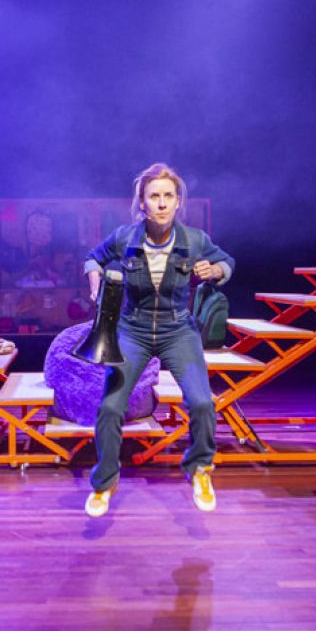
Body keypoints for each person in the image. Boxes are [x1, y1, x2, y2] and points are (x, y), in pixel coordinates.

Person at [82, 163, 234, 517]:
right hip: (132, 329)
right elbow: (93, 258)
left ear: (178, 201)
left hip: (177, 329)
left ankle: (200, 468)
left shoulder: (194, 240)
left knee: (202, 402)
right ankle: (105, 482)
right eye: (154, 196)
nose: (162, 203)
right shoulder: (124, 237)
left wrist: (215, 270)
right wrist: (95, 278)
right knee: (110, 407)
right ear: (142, 202)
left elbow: (227, 262)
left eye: (168, 196)